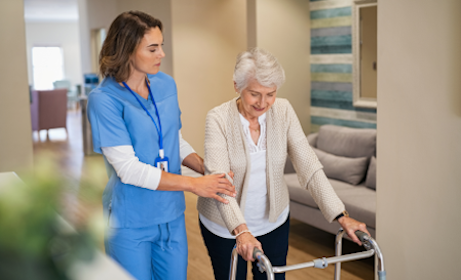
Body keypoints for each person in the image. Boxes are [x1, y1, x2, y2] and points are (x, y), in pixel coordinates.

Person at [197, 48, 370, 280]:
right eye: (255, 94)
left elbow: (308, 164)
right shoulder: (218, 118)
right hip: (225, 226)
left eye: (271, 94)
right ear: (237, 86)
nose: (263, 103)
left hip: (273, 221)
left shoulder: (283, 111)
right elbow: (220, 183)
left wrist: (341, 214)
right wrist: (242, 231)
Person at [87, 11, 235, 280]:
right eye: (152, 48)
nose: (161, 55)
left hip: (171, 214)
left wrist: (205, 168)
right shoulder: (104, 99)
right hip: (130, 220)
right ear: (127, 50)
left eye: (161, 46)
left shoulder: (166, 85)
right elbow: (129, 169)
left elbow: (172, 139)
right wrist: (194, 185)